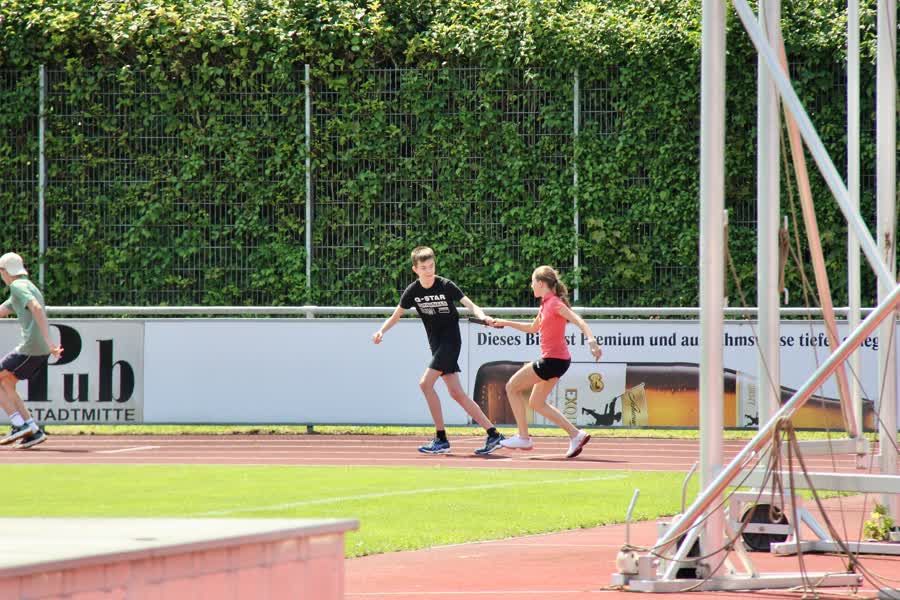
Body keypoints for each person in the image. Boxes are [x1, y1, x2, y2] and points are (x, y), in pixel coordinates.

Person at [373, 246, 505, 455]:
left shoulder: (445, 285)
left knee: (425, 384)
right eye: (424, 267)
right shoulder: (413, 291)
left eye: (431, 266)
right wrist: (381, 331)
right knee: (456, 393)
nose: (428, 271)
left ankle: (441, 438)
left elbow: (470, 305)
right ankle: (493, 433)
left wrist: (483, 317)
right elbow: (396, 315)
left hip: (451, 342)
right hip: (436, 345)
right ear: (415, 269)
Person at [491, 266, 602, 458]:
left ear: (541, 283)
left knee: (511, 387)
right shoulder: (545, 304)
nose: (531, 285)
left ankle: (523, 437)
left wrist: (592, 341)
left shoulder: (555, 304)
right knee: (536, 402)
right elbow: (533, 328)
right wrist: (505, 322)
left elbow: (580, 322)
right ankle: (576, 435)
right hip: (559, 361)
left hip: (552, 360)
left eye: (532, 282)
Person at [0, 252, 63, 449]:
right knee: (7, 382)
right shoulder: (27, 286)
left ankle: (19, 425)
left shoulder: (17, 287)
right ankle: (33, 430)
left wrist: (50, 342)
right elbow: (2, 310)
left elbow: (36, 308)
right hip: (38, 349)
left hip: (31, 347)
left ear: (5, 271)